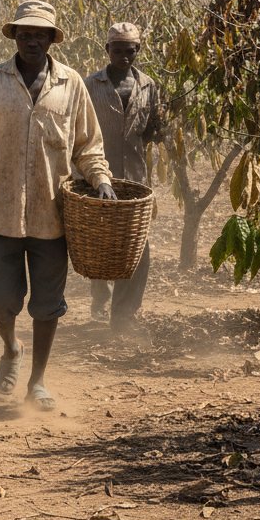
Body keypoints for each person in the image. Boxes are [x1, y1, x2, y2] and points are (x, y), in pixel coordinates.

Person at [0, 0, 115, 412]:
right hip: (0, 214)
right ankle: (11, 347)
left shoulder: (71, 84)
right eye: (24, 33)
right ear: (15, 37)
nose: (31, 40)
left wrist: (100, 179)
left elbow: (87, 146)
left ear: (50, 39)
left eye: (39, 34)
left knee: (47, 304)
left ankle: (38, 382)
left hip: (52, 217)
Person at [84, 22, 162, 330]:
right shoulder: (91, 85)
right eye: (117, 51)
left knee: (138, 247)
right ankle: (99, 294)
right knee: (101, 244)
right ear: (107, 51)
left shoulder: (148, 86)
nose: (124, 57)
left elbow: (155, 126)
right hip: (97, 176)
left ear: (138, 51)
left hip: (136, 180)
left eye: (130, 51)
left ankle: (124, 316)